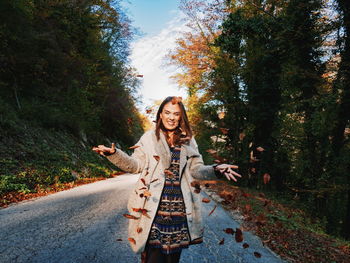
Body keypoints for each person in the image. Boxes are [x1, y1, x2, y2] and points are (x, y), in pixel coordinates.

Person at [92, 96, 241, 263]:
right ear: (160, 114)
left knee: (172, 259)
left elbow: (196, 170)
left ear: (181, 116)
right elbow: (135, 165)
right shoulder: (149, 138)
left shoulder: (188, 140)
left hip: (179, 211)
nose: (171, 117)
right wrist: (114, 154)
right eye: (167, 112)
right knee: (154, 258)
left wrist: (215, 169)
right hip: (152, 208)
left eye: (176, 114)